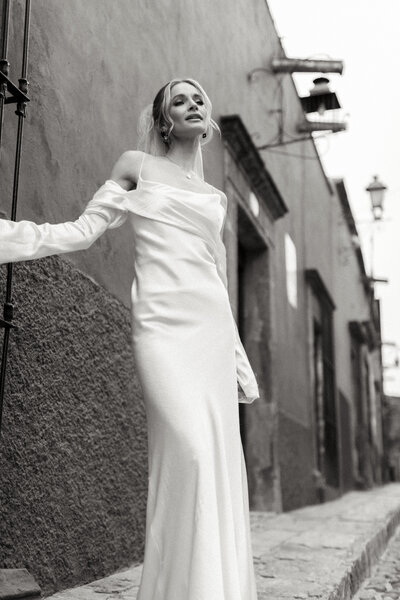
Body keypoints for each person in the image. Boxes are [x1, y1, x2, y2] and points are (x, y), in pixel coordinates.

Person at [0, 78, 260, 599]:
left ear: (207, 120)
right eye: (179, 100)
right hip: (161, 331)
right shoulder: (135, 166)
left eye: (199, 99)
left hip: (207, 332)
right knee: (186, 452)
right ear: (163, 119)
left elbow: (217, 276)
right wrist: (11, 237)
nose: (192, 104)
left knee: (211, 459)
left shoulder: (214, 197)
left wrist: (235, 355)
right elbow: (82, 230)